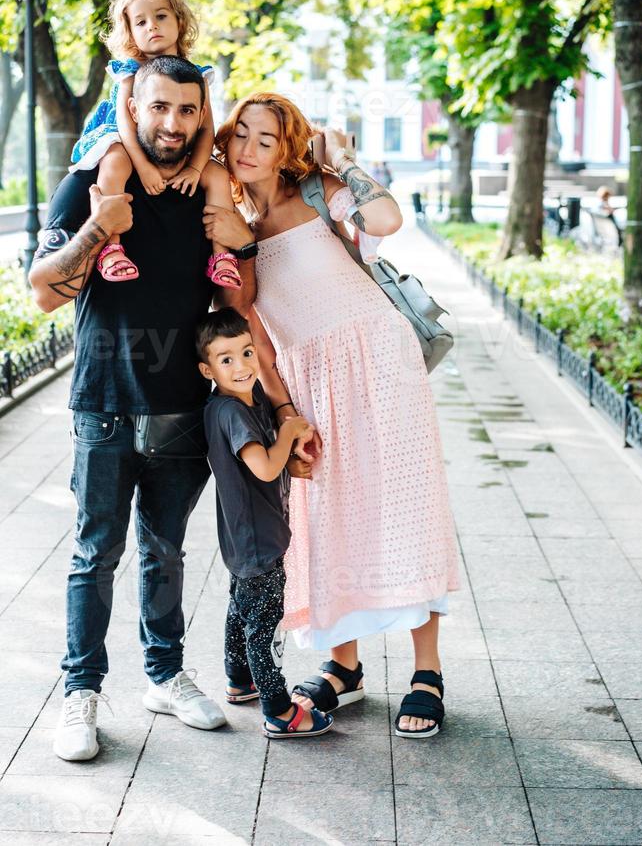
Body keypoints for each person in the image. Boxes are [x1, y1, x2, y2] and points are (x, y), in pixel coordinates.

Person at [207, 92, 460, 739]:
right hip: (304, 379)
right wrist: (286, 411)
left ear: (288, 147)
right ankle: (343, 666)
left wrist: (345, 162)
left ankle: (425, 672)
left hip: (379, 361)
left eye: (267, 138)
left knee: (403, 507)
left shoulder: (318, 189)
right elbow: (256, 334)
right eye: (242, 135)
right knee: (324, 516)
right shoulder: (227, 227)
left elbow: (388, 218)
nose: (250, 149)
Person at [29, 55, 257, 762]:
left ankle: (163, 675)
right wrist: (99, 228)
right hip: (105, 402)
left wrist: (234, 245)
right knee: (97, 553)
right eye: (159, 108)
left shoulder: (207, 192)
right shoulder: (92, 179)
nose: (173, 124)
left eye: (187, 110)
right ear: (136, 105)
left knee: (165, 550)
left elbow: (237, 300)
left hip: (183, 405)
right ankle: (80, 693)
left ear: (201, 114)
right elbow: (41, 290)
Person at [197, 307, 333, 739]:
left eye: (247, 352)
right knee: (264, 623)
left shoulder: (239, 404)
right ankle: (278, 710)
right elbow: (262, 469)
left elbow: (263, 466)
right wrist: (291, 433)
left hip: (242, 536)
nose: (241, 366)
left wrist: (289, 462)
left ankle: (239, 680)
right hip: (258, 538)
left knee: (241, 609)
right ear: (207, 369)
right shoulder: (233, 412)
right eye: (226, 359)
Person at [70, 0, 241, 289]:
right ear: (131, 31)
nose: (152, 26)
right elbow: (124, 121)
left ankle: (221, 256)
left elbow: (205, 129)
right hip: (127, 139)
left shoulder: (195, 75)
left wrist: (194, 167)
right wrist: (144, 167)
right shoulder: (129, 70)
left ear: (179, 20)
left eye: (161, 16)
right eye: (141, 22)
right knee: (114, 159)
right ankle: (112, 247)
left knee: (217, 175)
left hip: (178, 145)